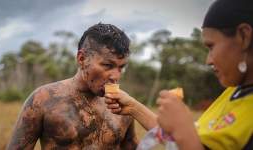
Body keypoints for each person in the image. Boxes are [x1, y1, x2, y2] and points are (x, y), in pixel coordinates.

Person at [105, 0, 253, 149]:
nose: (208, 60)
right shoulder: (234, 92)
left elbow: (186, 139)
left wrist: (183, 129)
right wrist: (132, 107)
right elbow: (181, 140)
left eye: (211, 46)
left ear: (243, 36)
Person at [7, 23, 138, 150]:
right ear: (82, 59)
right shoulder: (43, 99)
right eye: (108, 65)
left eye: (121, 67)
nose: (115, 76)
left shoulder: (124, 107)